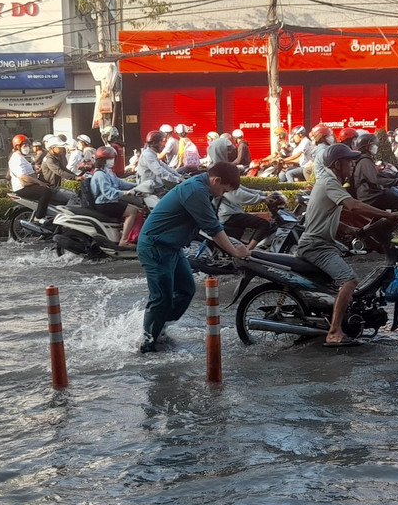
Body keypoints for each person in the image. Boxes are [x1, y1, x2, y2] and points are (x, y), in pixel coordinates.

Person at [136, 161, 250, 352]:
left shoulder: (202, 188)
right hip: (155, 246)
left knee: (186, 290)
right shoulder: (196, 191)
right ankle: (147, 344)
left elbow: (213, 226)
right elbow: (212, 228)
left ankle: (159, 329)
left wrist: (235, 246)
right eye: (223, 190)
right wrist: (235, 251)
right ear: (216, 180)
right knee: (161, 297)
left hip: (172, 247)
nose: (222, 194)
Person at [297, 143, 398, 347]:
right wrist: (387, 214)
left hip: (320, 243)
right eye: (349, 162)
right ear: (337, 164)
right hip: (316, 246)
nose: (353, 166)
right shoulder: (329, 181)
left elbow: (325, 217)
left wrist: (351, 230)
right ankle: (334, 331)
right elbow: (353, 206)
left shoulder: (329, 181)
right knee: (350, 280)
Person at [88, 145, 140, 247]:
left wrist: (138, 186)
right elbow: (108, 193)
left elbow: (120, 183)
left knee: (138, 208)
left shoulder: (108, 171)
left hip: (109, 201)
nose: (112, 161)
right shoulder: (100, 174)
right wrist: (125, 193)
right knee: (133, 211)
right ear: (102, 160)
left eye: (112, 158)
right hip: (104, 204)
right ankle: (124, 241)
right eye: (109, 159)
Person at [348, 131, 398, 215]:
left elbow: (378, 173)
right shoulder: (365, 161)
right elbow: (376, 179)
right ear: (367, 147)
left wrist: (395, 176)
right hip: (369, 197)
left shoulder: (366, 159)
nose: (376, 147)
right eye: (373, 145)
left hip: (370, 194)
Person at [216, 185, 278, 251]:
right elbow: (239, 195)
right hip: (229, 215)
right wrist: (262, 199)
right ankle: (248, 250)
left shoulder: (228, 181)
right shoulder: (224, 183)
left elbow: (246, 190)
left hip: (231, 213)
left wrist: (265, 194)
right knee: (263, 223)